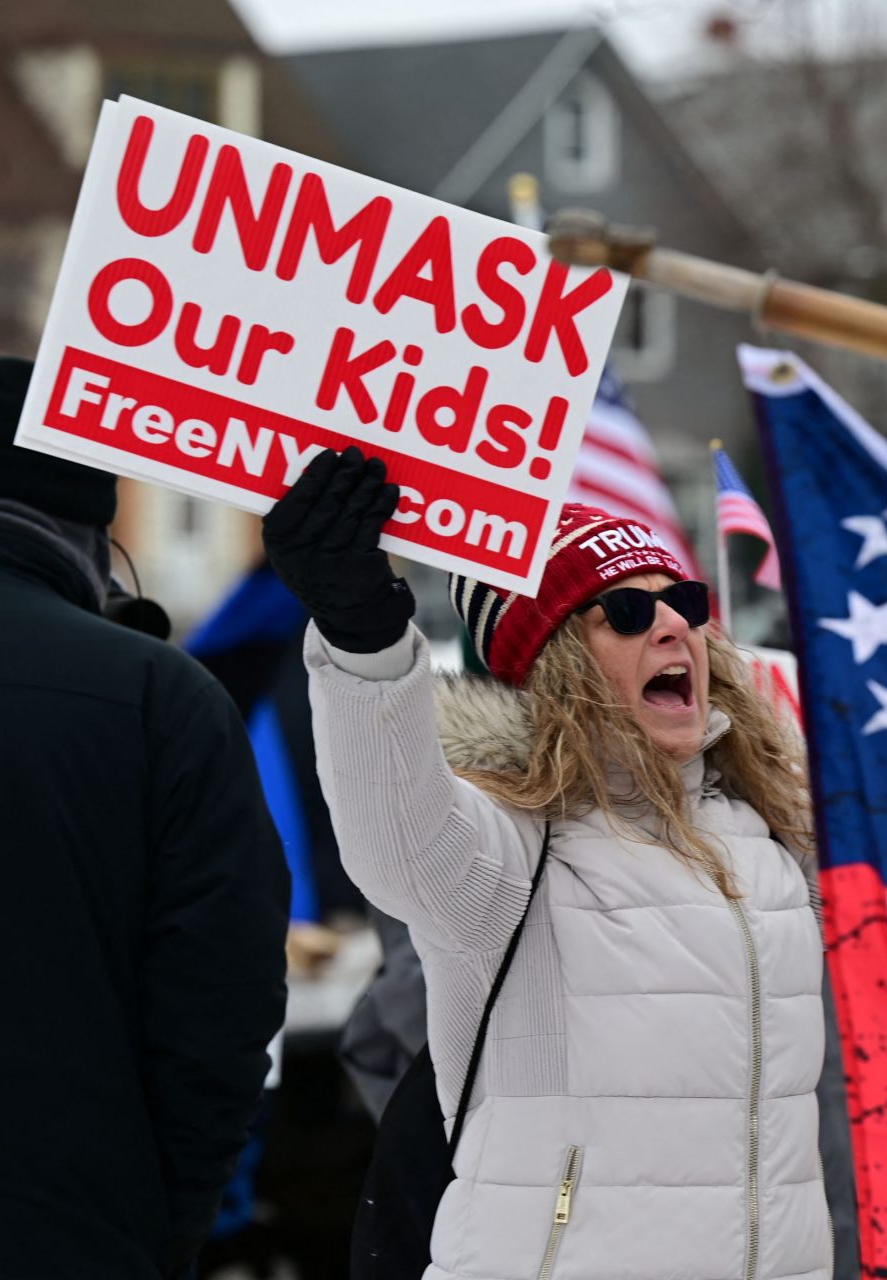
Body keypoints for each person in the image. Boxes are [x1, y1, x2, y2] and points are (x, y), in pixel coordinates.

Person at [265, 448, 831, 1280]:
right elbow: (395, 836)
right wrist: (362, 641)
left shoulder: (778, 833)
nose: (674, 624)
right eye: (626, 614)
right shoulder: (513, 846)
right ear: (555, 662)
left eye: (684, 602)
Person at [0, 358, 290, 1279]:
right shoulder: (163, 698)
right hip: (72, 1234)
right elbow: (224, 999)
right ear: (97, 529)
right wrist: (167, 1221)